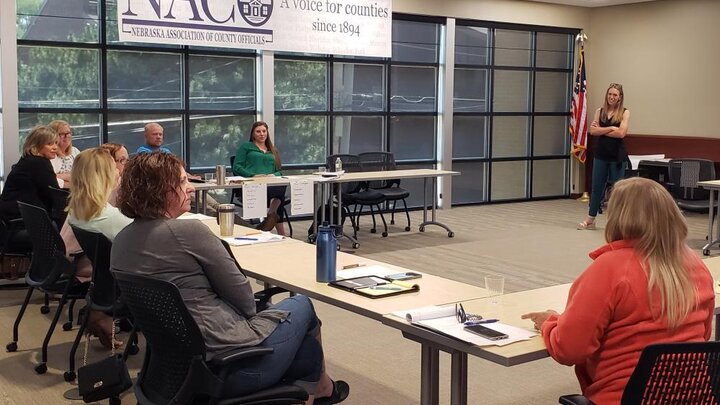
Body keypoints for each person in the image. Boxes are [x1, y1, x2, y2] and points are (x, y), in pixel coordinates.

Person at [110, 152, 349, 404]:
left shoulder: (122, 241)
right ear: (160, 190)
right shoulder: (187, 232)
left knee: (301, 344)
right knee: (302, 304)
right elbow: (245, 303)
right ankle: (322, 388)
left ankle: (315, 389)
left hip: (172, 368)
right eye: (181, 182)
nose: (190, 187)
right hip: (229, 367)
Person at [522, 177, 715, 404]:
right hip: (694, 398)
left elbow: (570, 349)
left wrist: (550, 323)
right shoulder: (695, 266)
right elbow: (702, 336)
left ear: (618, 217)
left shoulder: (610, 269)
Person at [66, 147, 132, 349]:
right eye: (115, 167)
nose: (119, 171)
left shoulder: (76, 211)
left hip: (103, 286)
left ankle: (98, 312)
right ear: (103, 175)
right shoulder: (111, 219)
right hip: (125, 290)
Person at [578, 83, 630, 230]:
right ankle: (590, 218)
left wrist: (601, 130)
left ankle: (617, 222)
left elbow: (621, 133)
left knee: (617, 190)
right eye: (610, 94)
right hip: (601, 154)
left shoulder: (625, 113)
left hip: (617, 157)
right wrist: (611, 128)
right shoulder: (599, 111)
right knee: (596, 187)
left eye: (615, 95)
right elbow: (592, 131)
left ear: (620, 98)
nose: (612, 97)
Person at [232, 121, 287, 235]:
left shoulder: (272, 150)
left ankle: (271, 215)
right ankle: (280, 229)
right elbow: (237, 166)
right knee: (277, 200)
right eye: (258, 131)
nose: (262, 134)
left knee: (280, 186)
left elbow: (279, 172)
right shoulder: (246, 147)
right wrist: (253, 175)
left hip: (270, 184)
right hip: (252, 185)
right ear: (253, 134)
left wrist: (273, 175)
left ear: (267, 133)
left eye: (264, 131)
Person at [0, 126, 59, 222]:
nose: (55, 147)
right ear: (37, 145)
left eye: (56, 143)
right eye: (49, 144)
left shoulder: (27, 159)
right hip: (22, 220)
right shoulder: (39, 163)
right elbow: (54, 194)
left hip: (10, 216)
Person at [48, 119, 81, 188]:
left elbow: (83, 174)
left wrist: (60, 176)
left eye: (68, 133)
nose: (66, 136)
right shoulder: (50, 154)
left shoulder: (75, 151)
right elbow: (49, 178)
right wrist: (67, 177)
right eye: (62, 134)